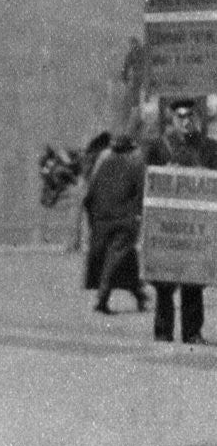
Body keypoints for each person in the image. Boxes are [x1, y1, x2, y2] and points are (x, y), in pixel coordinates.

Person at [145, 98, 217, 343]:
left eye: (190, 116)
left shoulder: (210, 148)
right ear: (173, 120)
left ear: (197, 119)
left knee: (194, 281)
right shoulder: (159, 147)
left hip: (197, 225)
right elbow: (148, 180)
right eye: (181, 117)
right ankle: (163, 331)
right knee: (165, 282)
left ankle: (192, 332)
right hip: (167, 225)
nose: (186, 122)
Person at [83, 133, 148, 314]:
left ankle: (140, 295)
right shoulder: (136, 166)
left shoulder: (102, 165)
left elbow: (89, 195)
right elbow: (141, 193)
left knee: (122, 258)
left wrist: (93, 219)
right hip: (124, 221)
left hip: (102, 221)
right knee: (116, 259)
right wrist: (138, 216)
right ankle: (102, 298)